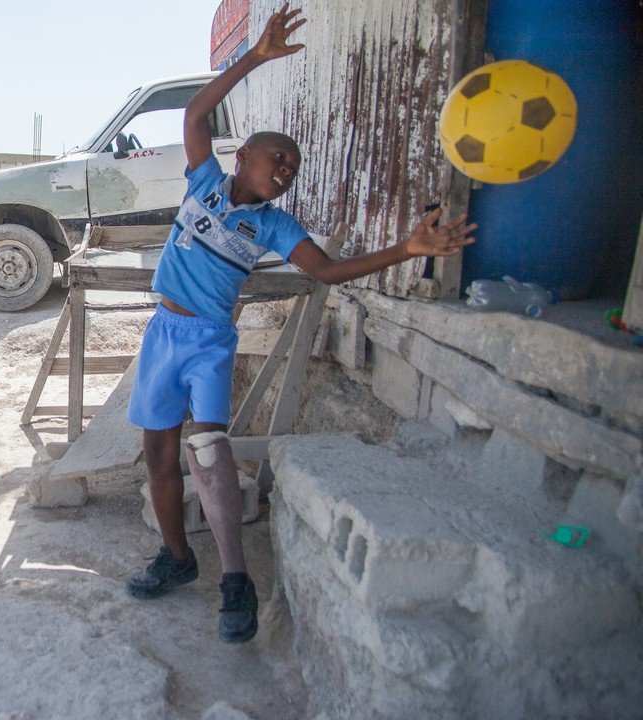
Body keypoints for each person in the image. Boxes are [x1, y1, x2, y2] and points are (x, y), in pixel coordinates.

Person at [124, 4, 477, 644]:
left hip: (206, 340)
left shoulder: (276, 227)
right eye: (276, 157)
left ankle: (237, 579)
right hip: (161, 334)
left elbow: (328, 271)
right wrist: (254, 57)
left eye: (291, 166)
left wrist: (407, 248)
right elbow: (196, 115)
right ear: (244, 157)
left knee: (208, 452)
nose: (285, 169)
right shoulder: (203, 180)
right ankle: (176, 558)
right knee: (157, 453)